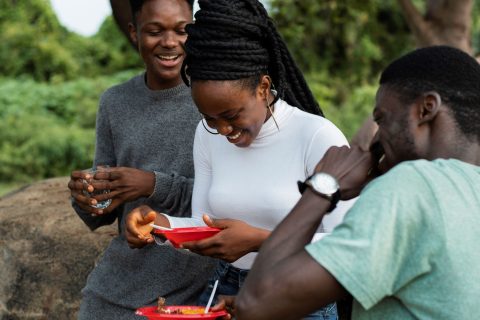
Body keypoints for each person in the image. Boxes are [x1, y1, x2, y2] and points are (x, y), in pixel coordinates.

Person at [125, 0, 355, 319]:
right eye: (210, 118)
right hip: (225, 291)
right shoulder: (206, 136)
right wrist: (159, 225)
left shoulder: (316, 137)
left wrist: (257, 241)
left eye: (231, 116)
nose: (223, 130)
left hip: (299, 295)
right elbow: (203, 224)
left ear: (263, 87)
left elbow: (349, 246)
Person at [231, 45, 480, 320]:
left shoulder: (413, 186)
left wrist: (323, 185)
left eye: (382, 120)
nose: (376, 140)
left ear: (426, 109)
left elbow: (255, 304)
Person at [67, 0, 216, 319]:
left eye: (181, 30)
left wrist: (151, 184)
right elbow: (104, 211)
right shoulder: (115, 102)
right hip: (117, 282)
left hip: (189, 282)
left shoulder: (216, 99)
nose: (169, 42)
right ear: (135, 34)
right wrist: (89, 197)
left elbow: (225, 198)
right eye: (154, 31)